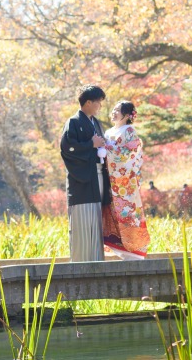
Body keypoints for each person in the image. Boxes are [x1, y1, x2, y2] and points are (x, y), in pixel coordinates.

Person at [60, 85, 112, 262]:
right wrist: (91, 144)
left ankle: (97, 261)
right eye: (98, 102)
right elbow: (67, 149)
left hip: (96, 177)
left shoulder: (95, 123)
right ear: (88, 102)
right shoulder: (73, 122)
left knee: (96, 220)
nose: (100, 106)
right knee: (82, 222)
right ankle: (80, 264)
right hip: (81, 180)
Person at [102, 100, 150, 260]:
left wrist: (106, 148)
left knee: (126, 212)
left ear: (128, 115)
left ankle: (133, 249)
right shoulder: (108, 132)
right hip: (111, 179)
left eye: (118, 110)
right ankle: (118, 245)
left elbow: (129, 153)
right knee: (112, 211)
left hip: (124, 182)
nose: (114, 112)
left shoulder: (129, 130)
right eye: (114, 109)